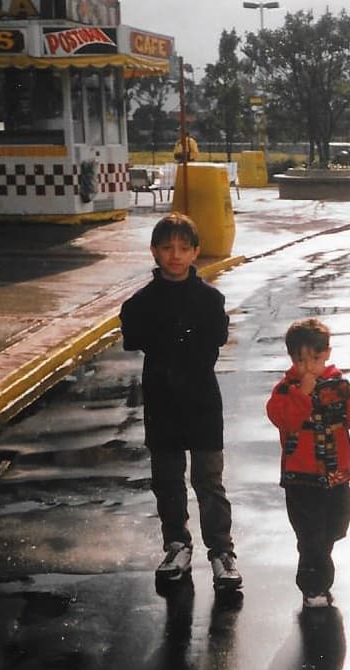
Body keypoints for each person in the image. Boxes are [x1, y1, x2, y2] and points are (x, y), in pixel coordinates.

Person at [119, 212, 241, 590]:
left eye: (183, 248)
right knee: (167, 480)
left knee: (209, 481)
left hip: (203, 401)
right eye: (167, 248)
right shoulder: (139, 303)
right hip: (161, 401)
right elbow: (134, 336)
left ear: (195, 252)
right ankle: (176, 545)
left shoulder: (210, 298)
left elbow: (215, 339)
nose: (175, 255)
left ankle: (222, 552)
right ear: (154, 251)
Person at [266, 318, 350, 608]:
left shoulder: (339, 386)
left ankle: (318, 565)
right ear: (292, 358)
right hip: (300, 478)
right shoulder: (285, 390)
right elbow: (285, 419)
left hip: (336, 475)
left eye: (315, 359)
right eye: (301, 361)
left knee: (337, 525)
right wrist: (302, 393)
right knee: (310, 534)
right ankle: (314, 587)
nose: (309, 367)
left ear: (327, 353)